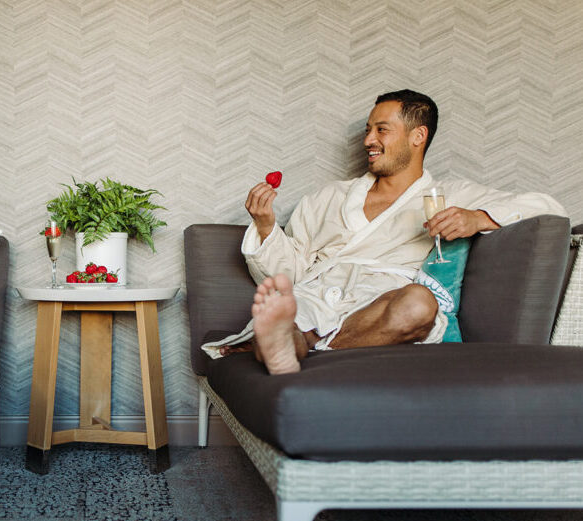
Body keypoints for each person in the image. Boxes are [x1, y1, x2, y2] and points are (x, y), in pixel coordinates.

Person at [204, 89, 566, 374]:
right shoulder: (328, 197)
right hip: (317, 296)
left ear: (417, 136)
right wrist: (266, 226)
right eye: (367, 130)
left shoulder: (447, 195)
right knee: (285, 318)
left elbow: (549, 208)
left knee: (419, 303)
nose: (368, 140)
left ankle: (302, 347)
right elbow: (291, 274)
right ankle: (290, 342)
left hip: (379, 307)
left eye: (381, 130)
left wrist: (479, 218)